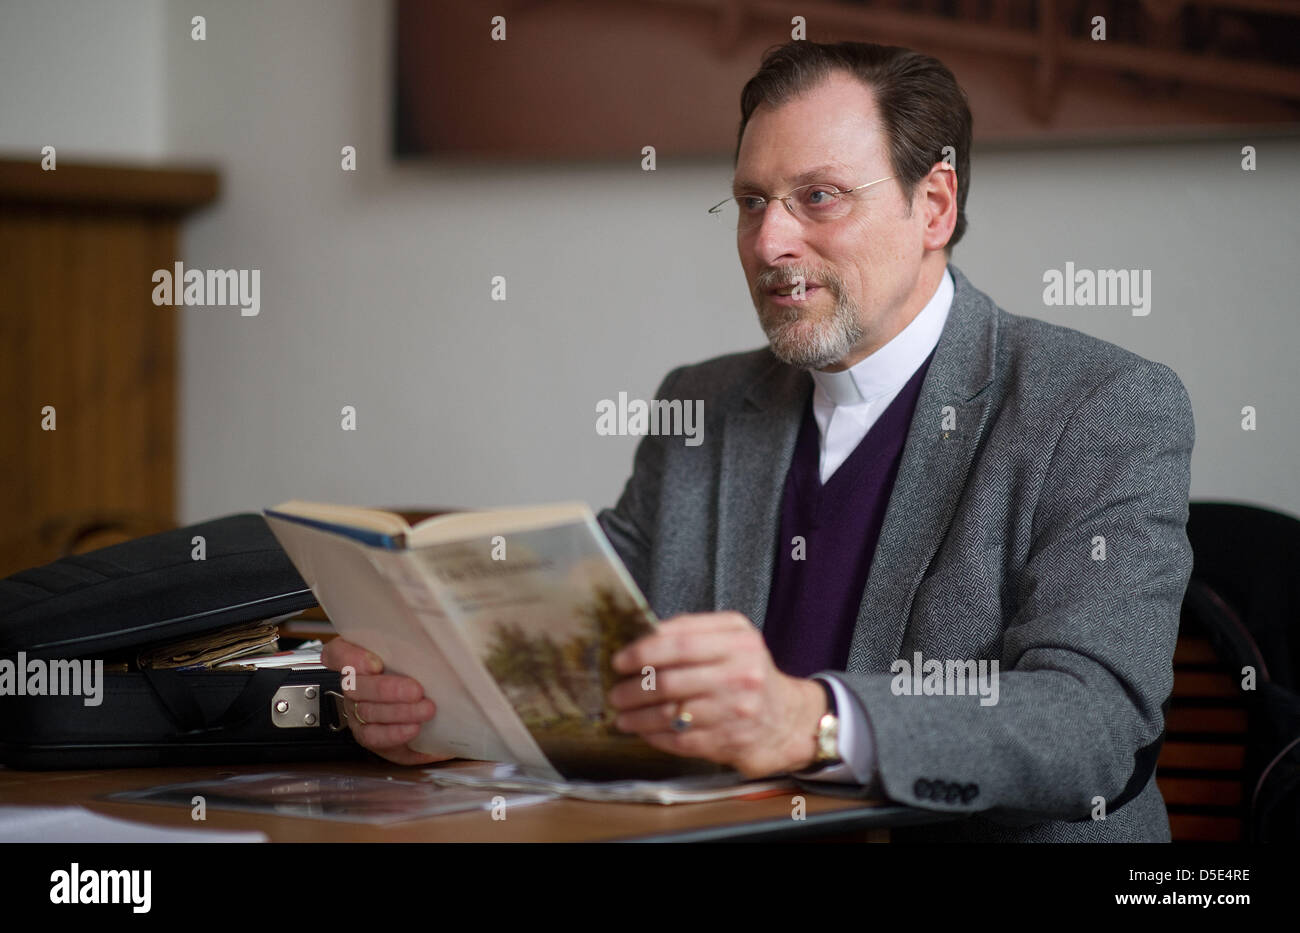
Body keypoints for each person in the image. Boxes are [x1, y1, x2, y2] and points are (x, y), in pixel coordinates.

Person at [322, 40, 1194, 842]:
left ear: (933, 203)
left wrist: (814, 720)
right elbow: (595, 642)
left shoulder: (1100, 405)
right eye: (750, 201)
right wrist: (441, 705)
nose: (769, 242)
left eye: (818, 196)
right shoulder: (701, 402)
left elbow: (1094, 724)